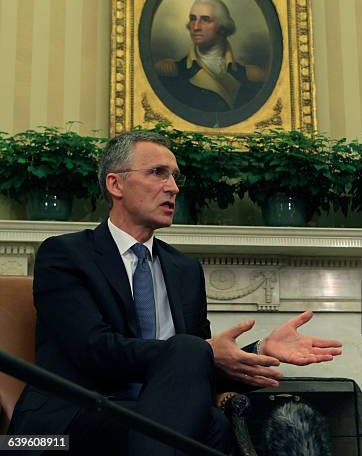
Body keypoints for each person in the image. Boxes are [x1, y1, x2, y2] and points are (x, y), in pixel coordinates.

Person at [8, 131, 342, 455]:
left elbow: (197, 369)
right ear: (115, 184)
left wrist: (258, 350)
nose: (173, 187)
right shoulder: (66, 254)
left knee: (213, 422)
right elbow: (92, 351)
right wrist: (194, 351)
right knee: (201, 410)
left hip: (160, 416)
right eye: (158, 173)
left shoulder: (184, 270)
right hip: (62, 427)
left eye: (175, 176)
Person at [155, 0, 266, 112]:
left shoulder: (252, 76)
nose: (195, 27)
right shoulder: (171, 72)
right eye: (193, 19)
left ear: (222, 27)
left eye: (205, 19)